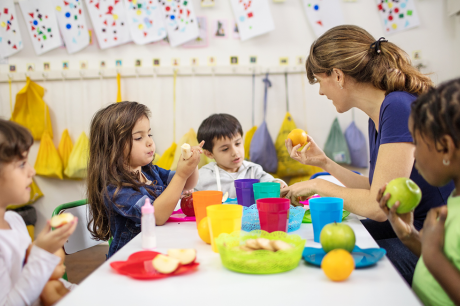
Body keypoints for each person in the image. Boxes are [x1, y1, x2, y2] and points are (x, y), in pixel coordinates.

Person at [280, 25, 454, 284]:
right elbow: (379, 188)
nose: (320, 91)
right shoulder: (380, 113)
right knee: (322, 247)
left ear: (338, 76)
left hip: (435, 242)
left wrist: (318, 184)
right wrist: (325, 163)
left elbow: (377, 207)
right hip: (411, 227)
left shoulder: (396, 107)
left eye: (320, 80)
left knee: (329, 265)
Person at [377, 78, 460, 305]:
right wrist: (409, 236)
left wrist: (433, 256)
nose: (413, 155)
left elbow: (438, 262)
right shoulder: (454, 200)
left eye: (417, 143)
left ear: (445, 147)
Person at [86, 102, 203, 258]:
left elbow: (188, 183)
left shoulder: (149, 171)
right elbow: (157, 216)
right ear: (112, 147)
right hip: (129, 258)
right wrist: (181, 174)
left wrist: (191, 164)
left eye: (149, 134)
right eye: (139, 137)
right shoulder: (116, 189)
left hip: (156, 248)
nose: (149, 142)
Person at [0, 120, 78, 305]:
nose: (32, 171)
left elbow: (37, 280)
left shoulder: (14, 220)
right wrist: (42, 252)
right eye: (21, 164)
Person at [194, 114, 287, 199]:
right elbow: (189, 198)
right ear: (209, 153)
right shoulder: (202, 176)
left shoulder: (254, 170)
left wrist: (278, 184)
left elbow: (272, 183)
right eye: (225, 149)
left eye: (238, 143)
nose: (235, 152)